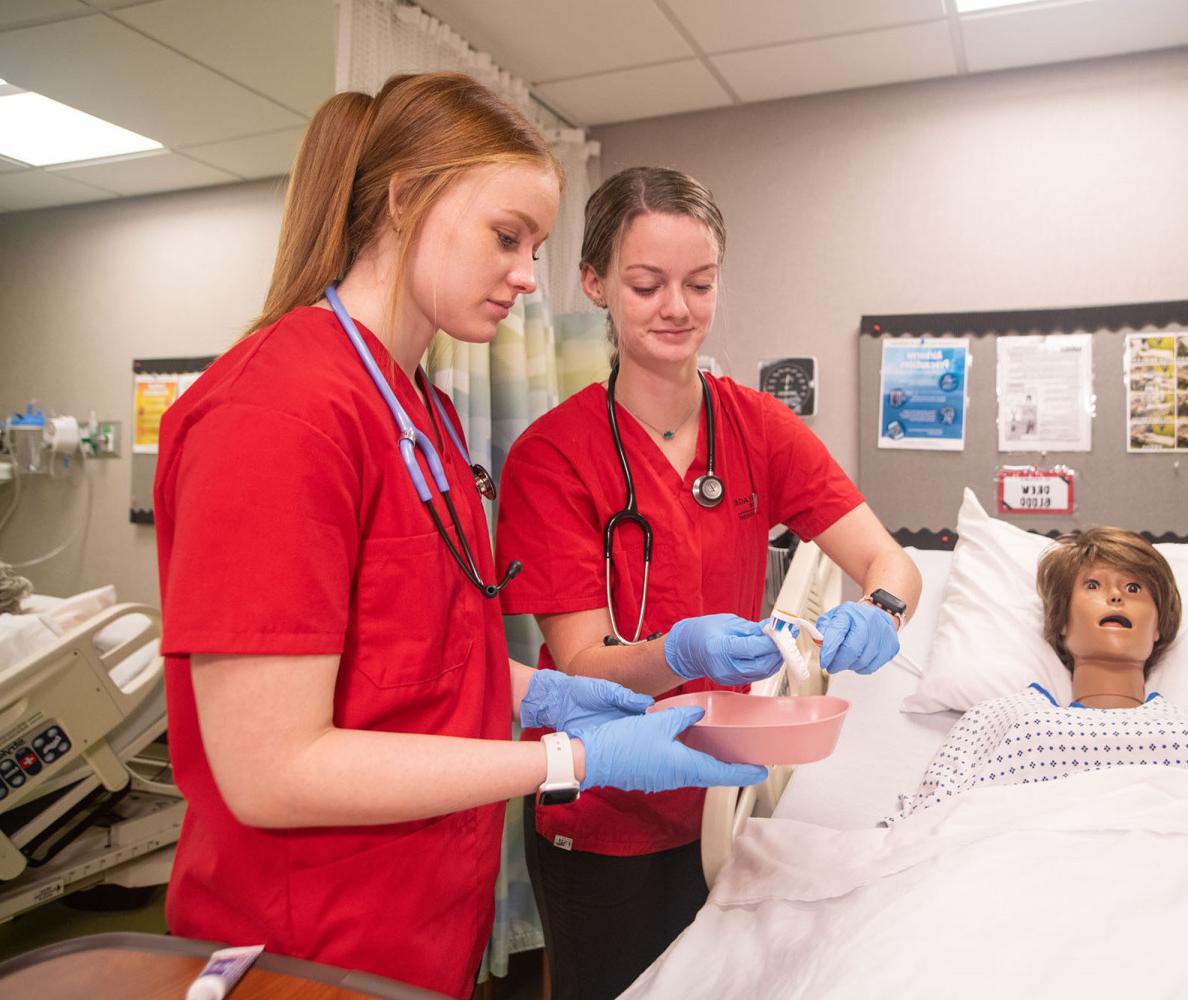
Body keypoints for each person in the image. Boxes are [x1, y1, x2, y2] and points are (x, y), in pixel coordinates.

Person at [153, 74, 772, 1000]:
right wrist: (574, 757)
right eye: (507, 236)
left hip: (429, 923)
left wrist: (558, 694)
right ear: (403, 200)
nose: (528, 277)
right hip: (309, 945)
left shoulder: (424, 414)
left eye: (537, 247)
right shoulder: (277, 415)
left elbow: (421, 663)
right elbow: (270, 770)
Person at [496, 166, 922, 999]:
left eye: (699, 283)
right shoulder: (552, 456)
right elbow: (581, 663)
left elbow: (890, 560)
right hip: (602, 801)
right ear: (595, 284)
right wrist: (678, 651)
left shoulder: (758, 427)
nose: (677, 309)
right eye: (647, 284)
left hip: (725, 798)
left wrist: (881, 611)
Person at [886, 527, 1188, 845]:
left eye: (1135, 589)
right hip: (1027, 882)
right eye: (1093, 586)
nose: (1115, 595)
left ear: (1159, 629)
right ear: (1060, 626)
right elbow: (921, 826)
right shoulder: (998, 718)